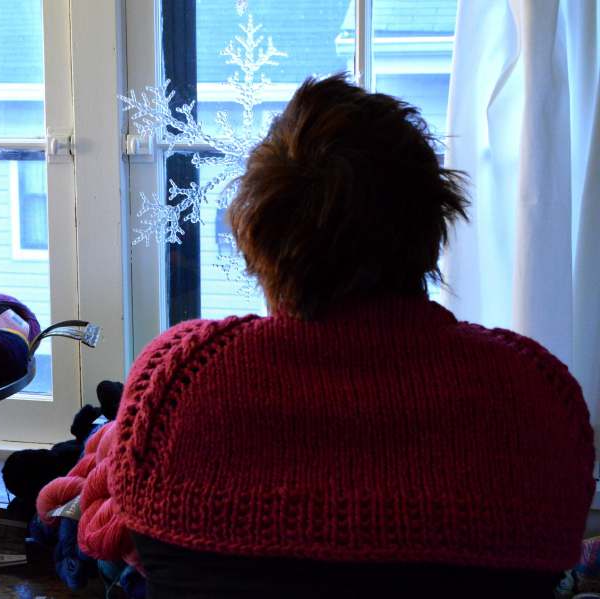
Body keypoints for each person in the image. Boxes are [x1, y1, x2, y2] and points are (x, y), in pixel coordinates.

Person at [52, 75, 595, 598]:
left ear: (257, 237)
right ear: (435, 221)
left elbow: (104, 533)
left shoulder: (176, 381)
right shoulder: (537, 395)